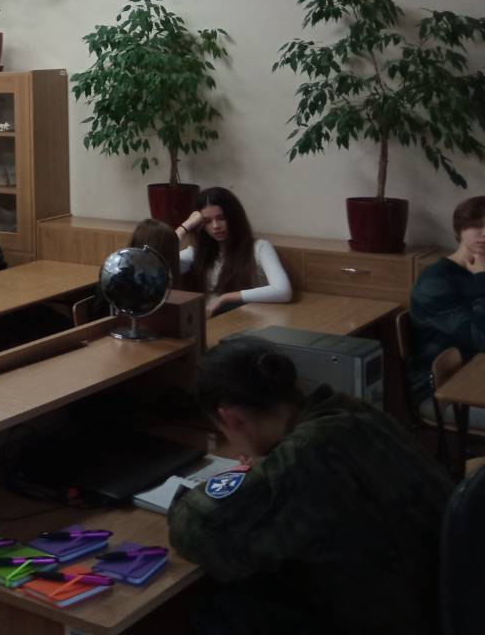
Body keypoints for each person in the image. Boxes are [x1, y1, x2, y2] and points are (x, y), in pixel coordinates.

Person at [168, 337, 453, 635]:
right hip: (439, 601)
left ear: (231, 418)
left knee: (219, 608)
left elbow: (196, 528)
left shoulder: (306, 455)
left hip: (399, 617)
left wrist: (252, 472)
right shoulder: (351, 412)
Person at [409, 195, 485, 426]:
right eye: (476, 226)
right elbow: (481, 340)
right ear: (459, 230)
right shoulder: (436, 281)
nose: (484, 234)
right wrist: (482, 280)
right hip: (443, 392)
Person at [177, 187, 291, 317]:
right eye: (207, 221)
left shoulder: (259, 248)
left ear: (234, 217)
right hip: (213, 321)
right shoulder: (196, 253)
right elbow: (161, 269)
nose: (215, 226)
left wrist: (224, 298)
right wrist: (184, 228)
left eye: (221, 218)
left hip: (249, 320)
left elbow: (283, 291)